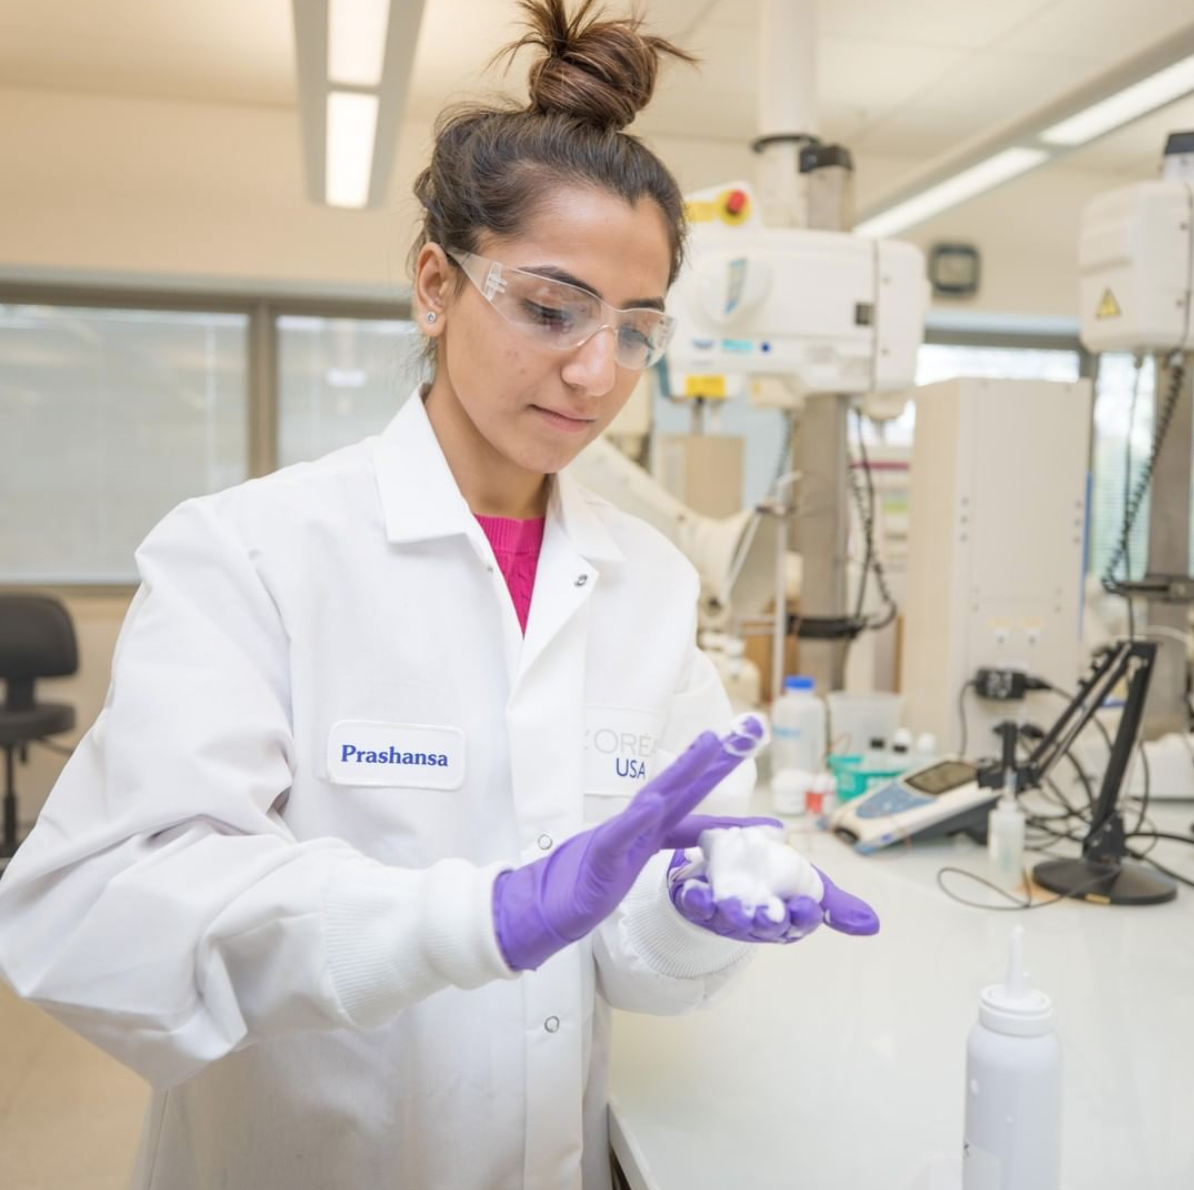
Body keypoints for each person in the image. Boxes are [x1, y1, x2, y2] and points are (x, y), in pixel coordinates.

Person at [0, 2, 875, 1187]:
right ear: (434, 283)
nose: (594, 369)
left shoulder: (652, 587)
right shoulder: (250, 554)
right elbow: (96, 911)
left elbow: (632, 959)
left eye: (635, 331)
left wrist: (689, 904)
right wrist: (485, 915)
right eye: (552, 308)